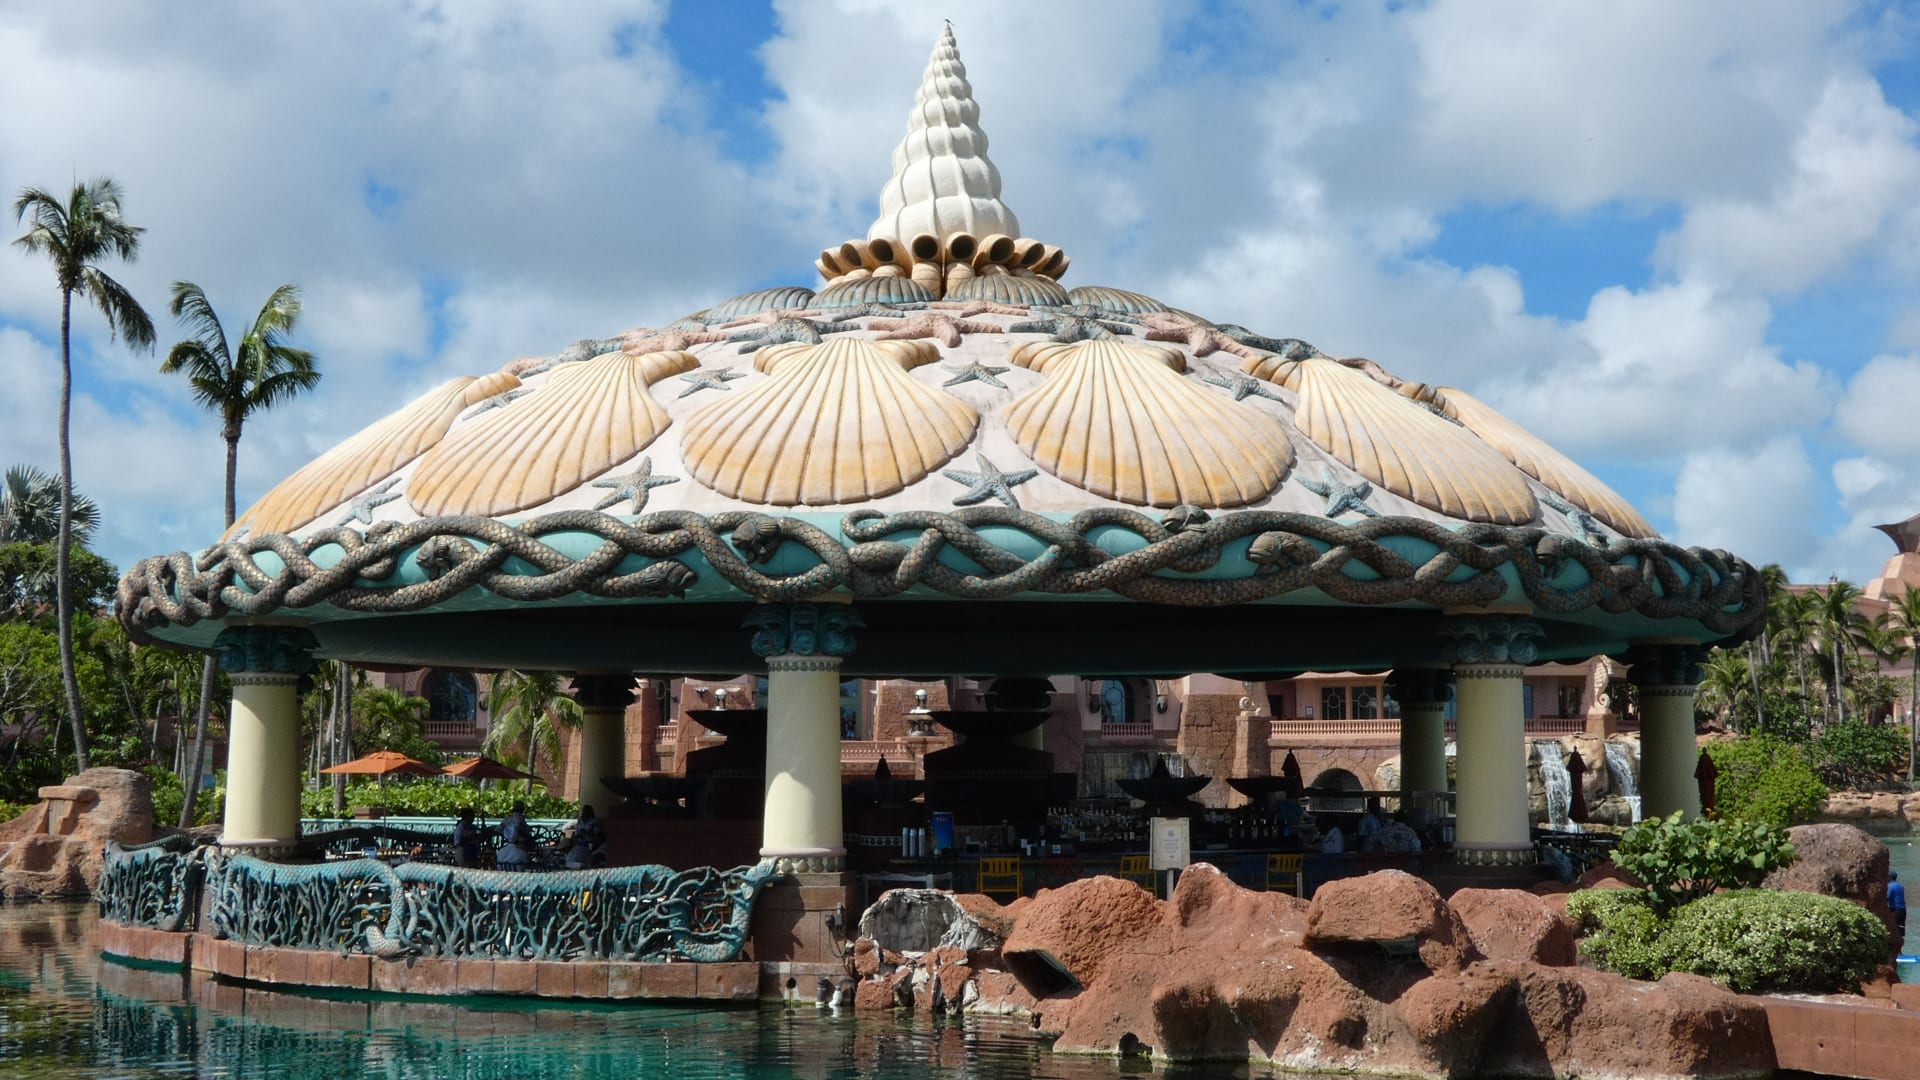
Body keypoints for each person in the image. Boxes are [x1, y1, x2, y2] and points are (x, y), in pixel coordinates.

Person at [564, 804, 607, 869]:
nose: (584, 812)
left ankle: (584, 864)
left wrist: (586, 833)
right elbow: (576, 832)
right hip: (580, 842)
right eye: (584, 811)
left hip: (591, 843)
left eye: (586, 811)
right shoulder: (580, 820)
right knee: (572, 855)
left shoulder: (595, 821)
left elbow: (597, 834)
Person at [497, 801, 534, 871]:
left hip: (503, 877)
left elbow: (497, 829)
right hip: (519, 877)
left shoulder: (500, 853)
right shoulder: (523, 854)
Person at [1890, 871, 1907, 937]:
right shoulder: (1901, 886)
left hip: (1895, 910)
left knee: (1893, 930)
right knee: (1901, 931)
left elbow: (1887, 897)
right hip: (1903, 910)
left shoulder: (1889, 886)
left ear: (1889, 877)